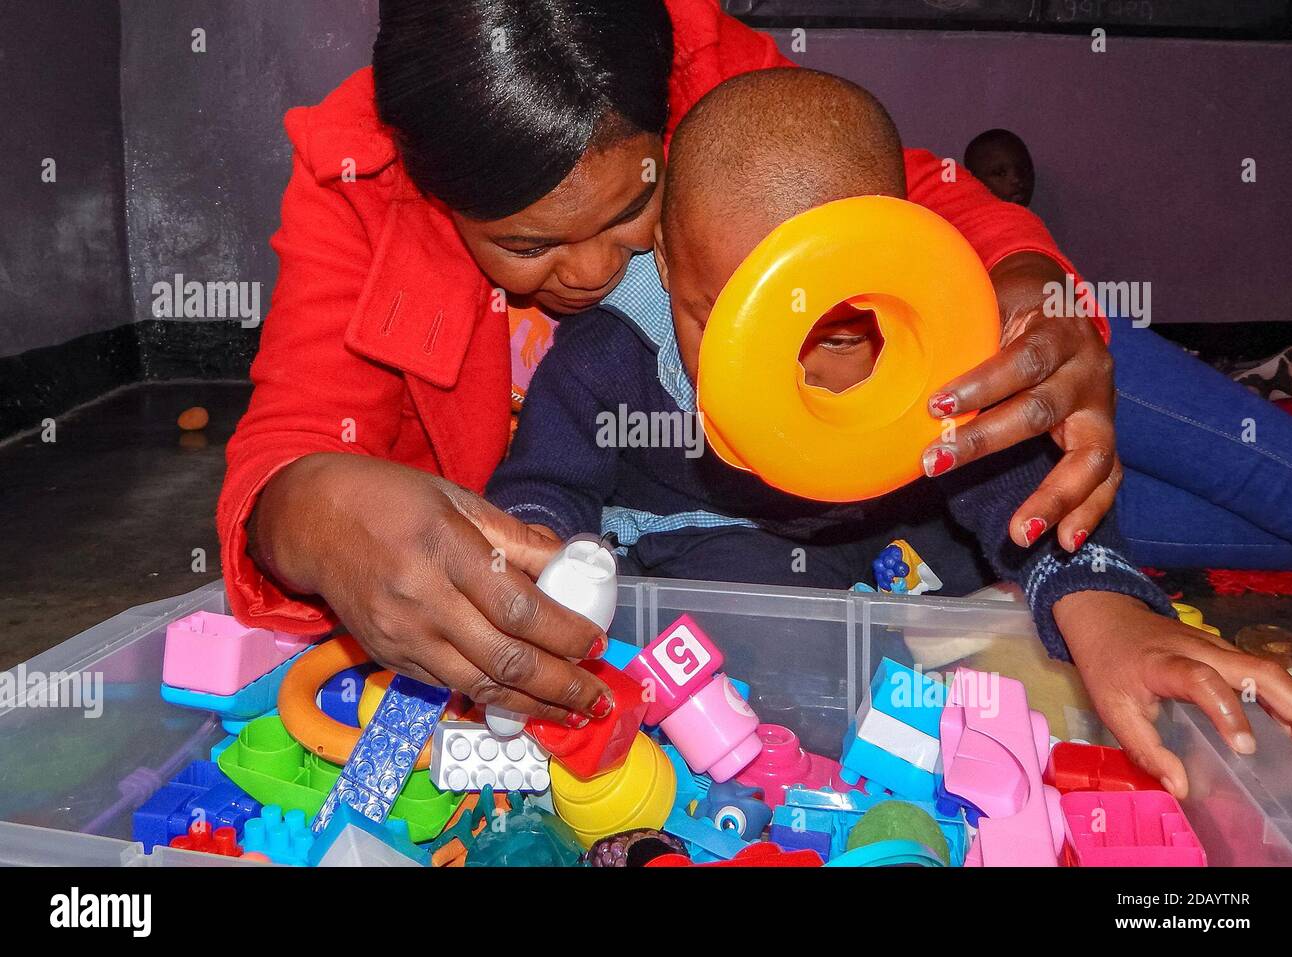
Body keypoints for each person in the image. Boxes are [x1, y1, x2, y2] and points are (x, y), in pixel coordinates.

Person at [221, 0, 1121, 726]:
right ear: (430, 190)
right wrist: (317, 507)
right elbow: (293, 442)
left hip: (895, 465)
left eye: (628, 212)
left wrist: (1030, 277)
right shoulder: (362, 181)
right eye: (527, 242)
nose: (592, 271)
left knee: (1102, 438)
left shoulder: (699, 66)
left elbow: (891, 184)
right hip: (717, 524)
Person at [487, 69, 1292, 795]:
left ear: (894, 270)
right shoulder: (608, 353)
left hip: (889, 520)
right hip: (718, 533)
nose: (792, 378)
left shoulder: (926, 348)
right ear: (665, 265)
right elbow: (544, 483)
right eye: (733, 327)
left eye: (839, 336)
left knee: (1042, 526)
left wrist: (1106, 606)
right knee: (770, 653)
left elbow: (1016, 481)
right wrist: (536, 554)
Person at [965, 129, 1292, 568]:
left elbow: (951, 199)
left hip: (1034, 340)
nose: (1013, 181)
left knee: (1278, 488)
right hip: (965, 489)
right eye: (998, 171)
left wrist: (1031, 289)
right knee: (1266, 529)